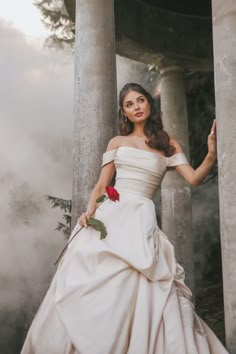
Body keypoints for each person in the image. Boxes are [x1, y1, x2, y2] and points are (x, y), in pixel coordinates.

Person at [21, 83, 229, 354]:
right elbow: (100, 187)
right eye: (129, 104)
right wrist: (89, 213)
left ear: (149, 104)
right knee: (91, 281)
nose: (136, 107)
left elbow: (194, 178)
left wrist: (211, 153)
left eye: (140, 100)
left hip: (141, 219)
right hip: (111, 216)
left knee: (146, 285)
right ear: (124, 113)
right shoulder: (116, 143)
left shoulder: (167, 143)